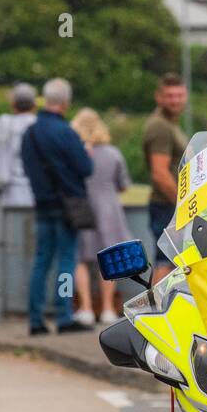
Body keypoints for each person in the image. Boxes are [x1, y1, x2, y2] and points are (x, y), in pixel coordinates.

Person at [21, 77, 93, 335]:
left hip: (41, 203)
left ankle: (35, 320)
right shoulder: (66, 132)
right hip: (66, 205)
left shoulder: (30, 133)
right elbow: (86, 168)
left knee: (41, 261)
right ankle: (63, 316)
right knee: (66, 260)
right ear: (65, 102)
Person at [70, 108, 132, 328]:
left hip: (82, 208)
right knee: (109, 260)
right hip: (109, 210)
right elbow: (123, 185)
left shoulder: (74, 153)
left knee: (80, 260)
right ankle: (107, 308)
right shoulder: (113, 153)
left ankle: (85, 308)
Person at [142, 73, 188, 280]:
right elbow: (160, 173)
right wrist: (184, 206)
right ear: (158, 97)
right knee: (165, 260)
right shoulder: (159, 126)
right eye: (170, 96)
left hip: (170, 205)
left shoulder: (171, 124)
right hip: (166, 206)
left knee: (172, 260)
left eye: (179, 95)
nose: (175, 100)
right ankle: (157, 310)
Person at [0, 83, 37, 208]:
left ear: (13, 105)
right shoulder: (40, 125)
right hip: (37, 189)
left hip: (9, 189)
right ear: (34, 105)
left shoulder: (2, 124)